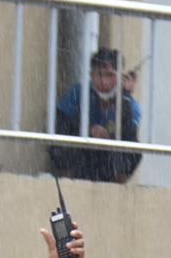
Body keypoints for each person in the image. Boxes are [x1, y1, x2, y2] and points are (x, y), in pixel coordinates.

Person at [49, 48, 142, 184]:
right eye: (100, 75)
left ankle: (117, 186)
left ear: (119, 77)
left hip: (108, 158)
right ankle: (67, 181)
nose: (104, 82)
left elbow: (129, 135)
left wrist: (124, 97)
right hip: (82, 153)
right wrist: (88, 129)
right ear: (92, 75)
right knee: (61, 143)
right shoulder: (78, 92)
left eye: (110, 75)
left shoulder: (128, 103)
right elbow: (60, 122)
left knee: (133, 152)